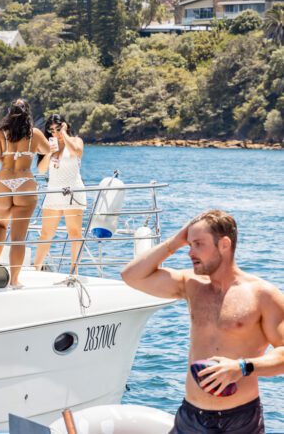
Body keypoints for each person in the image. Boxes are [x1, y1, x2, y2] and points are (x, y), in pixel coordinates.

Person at [121, 209, 284, 434]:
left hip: (240, 420)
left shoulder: (263, 295)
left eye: (198, 244)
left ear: (224, 244)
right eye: (189, 245)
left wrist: (242, 367)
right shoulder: (191, 284)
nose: (190, 252)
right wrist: (174, 242)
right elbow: (131, 276)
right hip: (190, 416)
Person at [0, 99, 50, 288]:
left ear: (9, 113)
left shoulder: (1, 133)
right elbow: (48, 150)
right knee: (18, 237)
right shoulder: (34, 134)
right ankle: (14, 280)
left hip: (3, 182)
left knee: (0, 225)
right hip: (25, 183)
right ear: (28, 114)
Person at [33, 114, 86, 272]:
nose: (54, 132)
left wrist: (64, 135)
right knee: (46, 233)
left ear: (65, 125)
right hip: (54, 192)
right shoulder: (48, 145)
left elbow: (77, 152)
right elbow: (41, 170)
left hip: (73, 191)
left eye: (58, 128)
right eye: (51, 130)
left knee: (75, 232)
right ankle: (36, 268)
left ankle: (73, 270)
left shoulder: (76, 140)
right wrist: (49, 152)